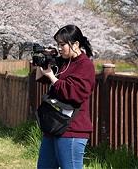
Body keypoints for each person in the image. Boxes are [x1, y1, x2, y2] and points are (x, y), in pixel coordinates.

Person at [35, 24, 95, 169]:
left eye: (63, 44)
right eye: (58, 44)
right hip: (54, 125)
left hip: (73, 129)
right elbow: (40, 78)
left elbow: (73, 93)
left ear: (75, 44)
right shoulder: (63, 61)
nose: (60, 48)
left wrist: (52, 76)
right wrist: (43, 60)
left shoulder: (85, 65)